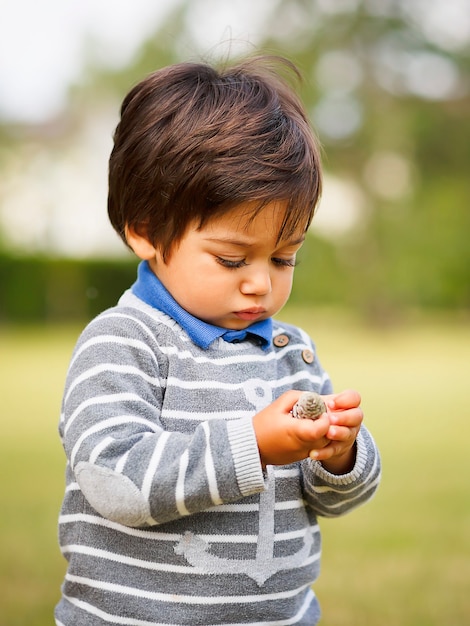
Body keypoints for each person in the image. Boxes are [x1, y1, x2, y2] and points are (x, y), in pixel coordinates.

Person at [55, 55, 381, 626]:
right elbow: (114, 479)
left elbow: (331, 501)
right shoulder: (125, 342)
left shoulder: (290, 352)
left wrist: (341, 456)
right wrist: (251, 445)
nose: (261, 282)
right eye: (232, 258)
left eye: (285, 258)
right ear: (146, 231)